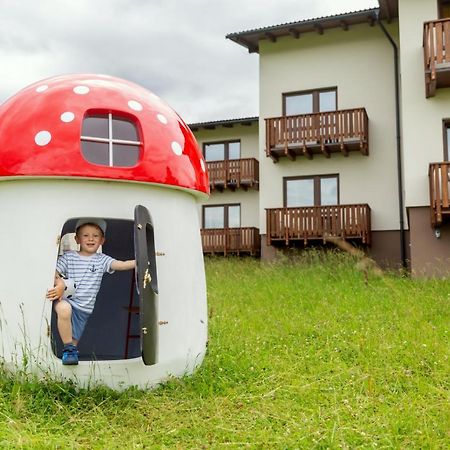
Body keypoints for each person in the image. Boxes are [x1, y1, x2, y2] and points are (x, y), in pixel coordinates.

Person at [46, 218, 135, 365]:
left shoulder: (102, 260)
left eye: (95, 236)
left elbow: (121, 264)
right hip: (68, 300)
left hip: (84, 308)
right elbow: (53, 272)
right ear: (77, 239)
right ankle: (68, 348)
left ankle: (70, 356)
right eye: (86, 235)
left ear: (102, 240)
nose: (91, 239)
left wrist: (141, 262)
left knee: (74, 340)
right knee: (64, 309)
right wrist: (60, 283)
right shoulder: (69, 257)